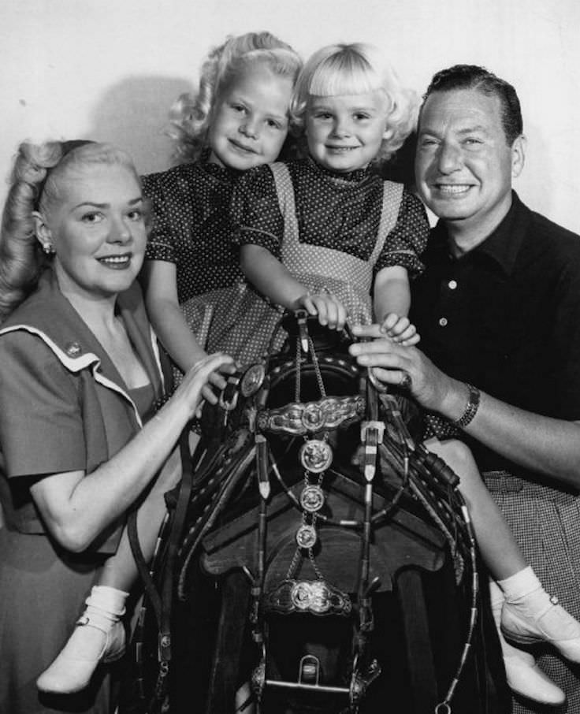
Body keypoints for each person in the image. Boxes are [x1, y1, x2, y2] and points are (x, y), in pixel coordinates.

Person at [349, 64, 580, 711]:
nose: (447, 161)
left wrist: (448, 394)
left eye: (472, 139)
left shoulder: (568, 270)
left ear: (517, 153)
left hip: (546, 522)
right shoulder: (398, 272)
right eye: (430, 141)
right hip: (419, 525)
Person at [0, 139, 232, 713]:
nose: (122, 234)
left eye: (133, 213)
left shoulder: (135, 315)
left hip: (129, 599)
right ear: (46, 232)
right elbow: (73, 523)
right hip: (48, 605)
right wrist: (181, 405)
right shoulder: (23, 348)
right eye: (91, 216)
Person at [216, 42, 429, 366]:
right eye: (325, 115)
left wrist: (390, 321)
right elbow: (254, 256)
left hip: (352, 330)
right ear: (304, 119)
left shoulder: (398, 204)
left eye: (360, 116)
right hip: (276, 314)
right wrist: (301, 298)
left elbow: (391, 278)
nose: (341, 131)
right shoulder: (272, 181)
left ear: (386, 125)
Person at [141, 31, 302, 384]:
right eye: (240, 108)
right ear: (211, 104)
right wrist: (200, 367)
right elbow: (161, 300)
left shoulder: (287, 194)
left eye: (271, 122)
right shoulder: (167, 192)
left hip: (272, 354)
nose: (249, 129)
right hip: (192, 347)